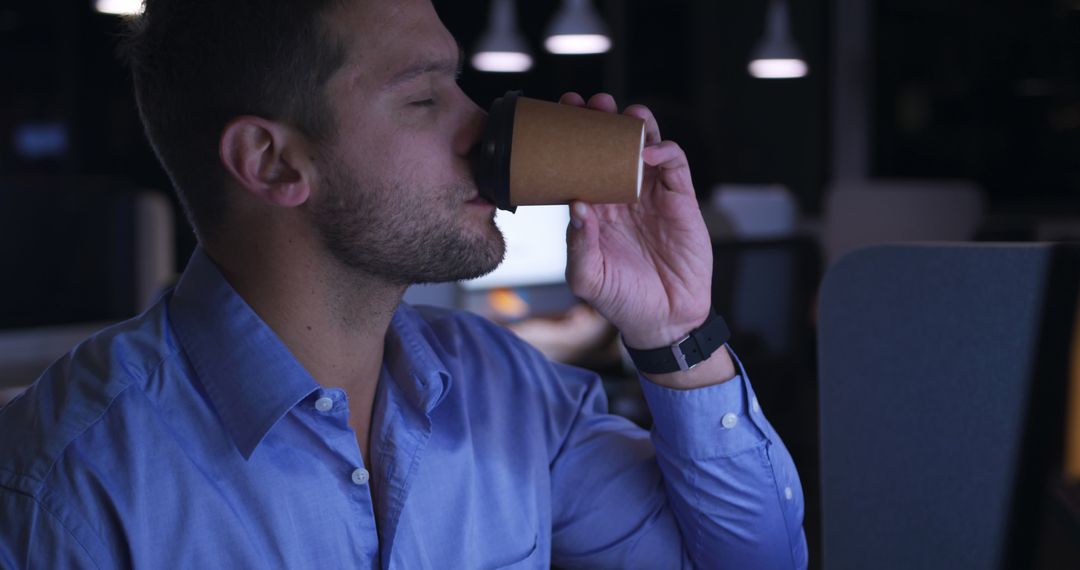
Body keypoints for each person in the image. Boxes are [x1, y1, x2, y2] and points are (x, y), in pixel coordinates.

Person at [0, 0, 808, 567]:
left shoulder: (506, 394)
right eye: (424, 98)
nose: (485, 127)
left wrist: (676, 332)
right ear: (273, 162)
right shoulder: (72, 484)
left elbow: (750, 561)